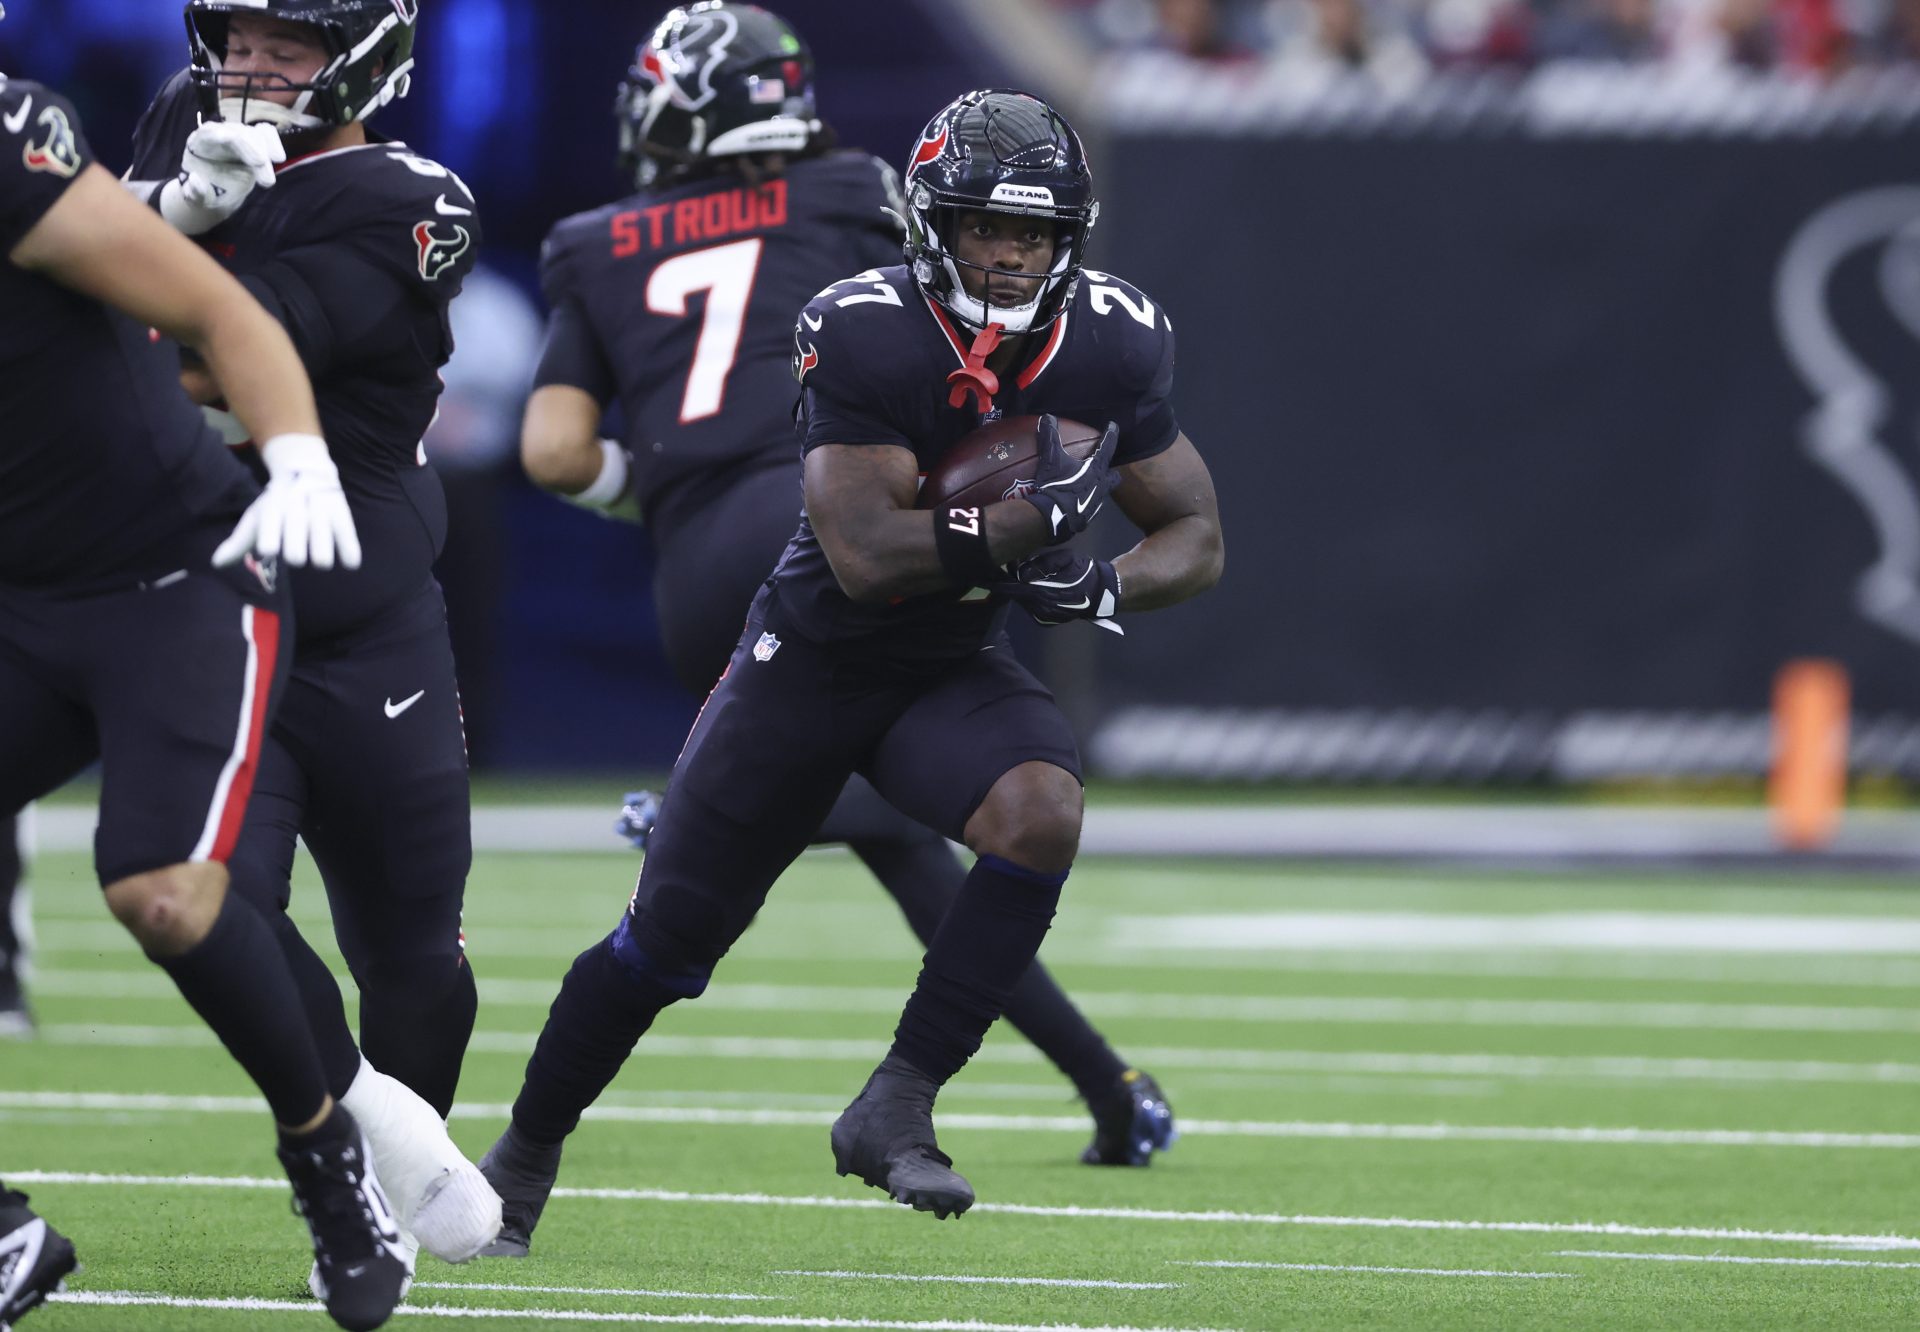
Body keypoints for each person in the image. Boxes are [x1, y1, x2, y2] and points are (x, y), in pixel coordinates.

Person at [491, 1, 1178, 1255]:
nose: (1005, 254)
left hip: (722, 548)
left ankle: (960, 1096)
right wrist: (1027, 519)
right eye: (985, 229)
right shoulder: (858, 248)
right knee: (707, 919)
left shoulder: (599, 241)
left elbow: (549, 450)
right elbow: (877, 519)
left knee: (1003, 815)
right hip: (830, 554)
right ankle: (522, 1157)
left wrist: (662, 485)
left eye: (1027, 234)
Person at [0, 69, 409, 1329]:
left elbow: (221, 311)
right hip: (15, 596)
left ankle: (328, 1158)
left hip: (174, 573)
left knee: (161, 891)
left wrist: (292, 457)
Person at [121, 0, 500, 1287]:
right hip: (211, 604)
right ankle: (357, 1152)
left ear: (364, 55)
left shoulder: (410, 193)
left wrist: (158, 244)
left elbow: (216, 361)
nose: (252, 66)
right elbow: (75, 313)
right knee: (216, 898)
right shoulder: (187, 124)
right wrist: (166, 211)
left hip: (364, 613)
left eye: (287, 44)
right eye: (237, 36)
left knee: (416, 959)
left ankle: (403, 1128)